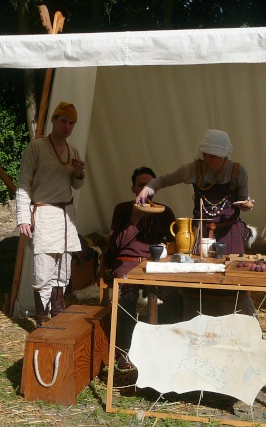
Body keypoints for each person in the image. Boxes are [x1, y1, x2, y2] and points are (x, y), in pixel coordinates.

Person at [135, 129, 255, 317]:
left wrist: (246, 205)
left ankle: (234, 324)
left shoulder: (239, 171)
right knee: (199, 278)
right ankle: (195, 321)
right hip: (201, 231)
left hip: (230, 233)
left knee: (232, 280)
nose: (207, 159)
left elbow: (244, 200)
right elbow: (165, 180)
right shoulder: (194, 169)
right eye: (205, 154)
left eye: (213, 156)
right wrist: (148, 190)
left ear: (224, 155)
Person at [16, 102, 86, 326]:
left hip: (66, 216)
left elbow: (77, 186)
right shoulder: (36, 148)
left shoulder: (72, 151)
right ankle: (41, 319)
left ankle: (57, 314)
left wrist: (78, 173)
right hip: (45, 214)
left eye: (71, 123)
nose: (67, 126)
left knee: (63, 270)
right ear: (54, 120)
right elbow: (23, 185)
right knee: (43, 271)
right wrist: (23, 218)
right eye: (64, 121)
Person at [109, 167, 178, 359]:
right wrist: (134, 218)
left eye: (149, 186)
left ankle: (158, 344)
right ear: (133, 188)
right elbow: (116, 246)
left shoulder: (164, 212)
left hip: (154, 265)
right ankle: (125, 350)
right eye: (141, 185)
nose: (145, 191)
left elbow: (175, 242)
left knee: (170, 294)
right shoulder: (122, 209)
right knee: (127, 296)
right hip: (127, 262)